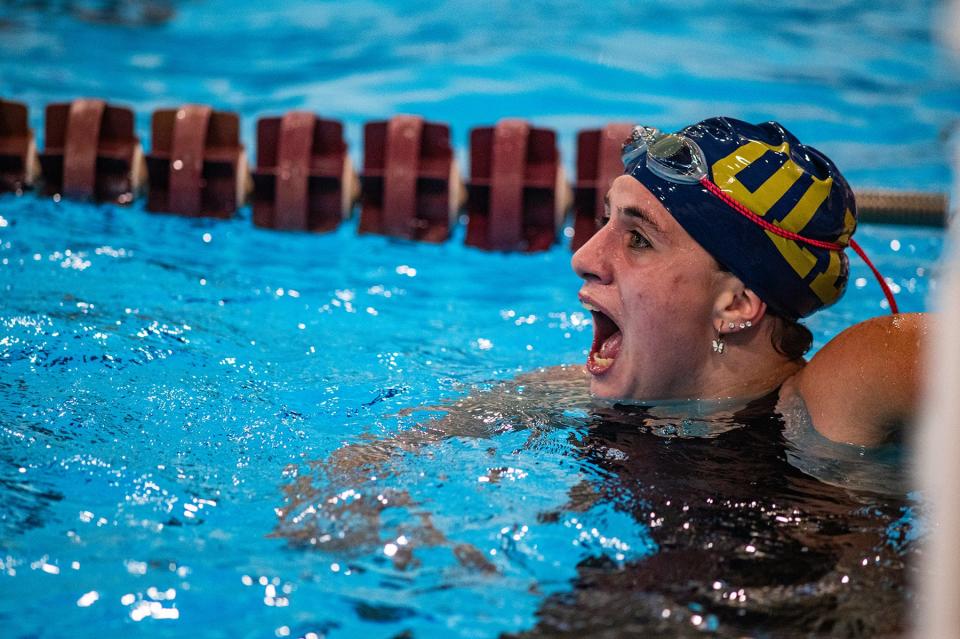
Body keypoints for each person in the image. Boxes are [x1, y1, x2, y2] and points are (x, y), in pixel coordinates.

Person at [572, 116, 925, 447]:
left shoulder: (842, 392)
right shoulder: (570, 393)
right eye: (606, 221)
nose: (583, 259)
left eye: (639, 239)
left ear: (736, 303)